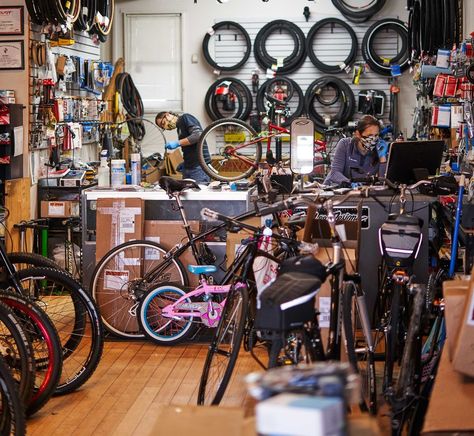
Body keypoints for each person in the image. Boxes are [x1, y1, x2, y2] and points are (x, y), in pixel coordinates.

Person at [323, 115, 389, 186]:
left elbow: (383, 182)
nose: (373, 139)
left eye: (376, 135)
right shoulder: (345, 145)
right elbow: (335, 173)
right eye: (370, 135)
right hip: (334, 191)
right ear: (358, 134)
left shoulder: (379, 150)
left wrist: (383, 159)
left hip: (360, 193)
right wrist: (349, 183)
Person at [155, 111, 211, 184]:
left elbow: (198, 135)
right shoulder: (179, 128)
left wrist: (177, 143)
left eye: (163, 123)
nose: (165, 127)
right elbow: (190, 147)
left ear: (167, 115)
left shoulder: (186, 118)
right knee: (187, 194)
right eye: (163, 127)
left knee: (199, 194)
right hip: (189, 168)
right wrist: (185, 163)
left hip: (199, 168)